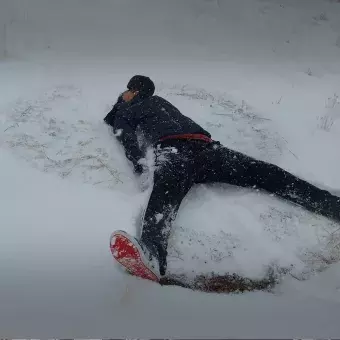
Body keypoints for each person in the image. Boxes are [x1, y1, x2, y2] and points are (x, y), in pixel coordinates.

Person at [104, 75, 340, 279]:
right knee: (165, 193)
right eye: (128, 90)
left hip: (209, 148)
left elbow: (124, 130)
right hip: (172, 150)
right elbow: (121, 131)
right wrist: (139, 162)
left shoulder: (158, 102)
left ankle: (332, 206)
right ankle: (153, 255)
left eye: (131, 89)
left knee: (268, 172)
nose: (127, 92)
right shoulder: (127, 110)